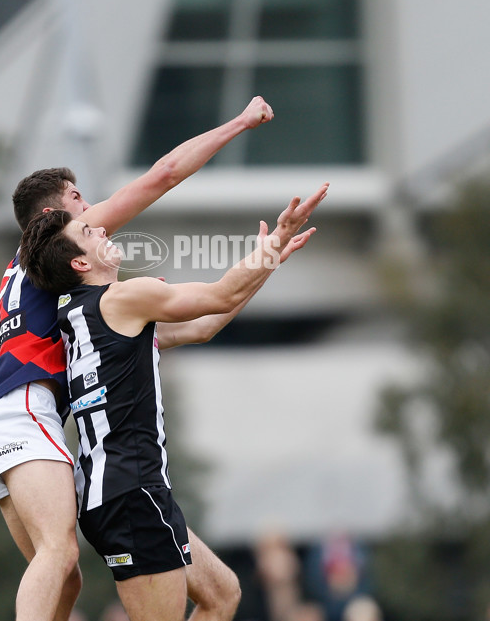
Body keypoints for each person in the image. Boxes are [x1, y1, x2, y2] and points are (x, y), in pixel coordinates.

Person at [0, 98, 279, 621]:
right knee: (58, 554)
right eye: (78, 200)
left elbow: (188, 326)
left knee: (65, 579)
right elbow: (162, 175)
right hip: (23, 414)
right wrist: (240, 123)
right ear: (53, 218)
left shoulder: (47, 287)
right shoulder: (64, 251)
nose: (92, 210)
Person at [18, 183, 329, 621]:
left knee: (221, 594)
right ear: (80, 262)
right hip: (133, 493)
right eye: (89, 232)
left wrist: (268, 261)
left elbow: (205, 325)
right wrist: (274, 242)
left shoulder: (81, 314)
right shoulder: (122, 298)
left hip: (115, 494)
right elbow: (220, 294)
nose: (103, 229)